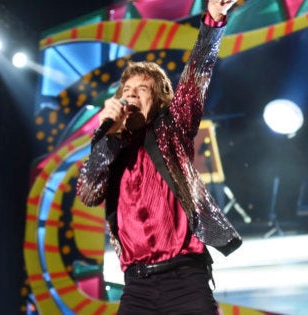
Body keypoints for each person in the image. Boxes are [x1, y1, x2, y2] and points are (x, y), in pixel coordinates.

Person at [76, 1, 242, 314]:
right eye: (127, 88)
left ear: (160, 98)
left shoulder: (173, 129)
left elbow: (196, 78)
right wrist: (107, 136)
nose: (132, 94)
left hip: (185, 279)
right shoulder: (112, 145)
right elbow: (88, 192)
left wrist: (213, 22)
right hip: (136, 285)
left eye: (142, 89)